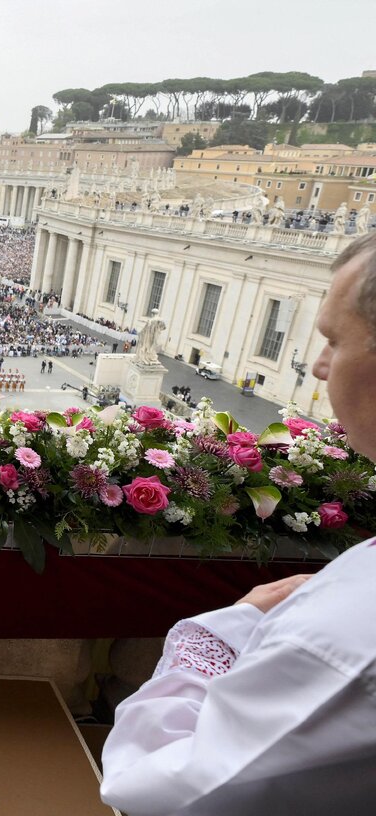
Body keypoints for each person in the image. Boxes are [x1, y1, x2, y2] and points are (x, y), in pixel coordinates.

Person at [100, 232, 376, 814]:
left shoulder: (353, 629)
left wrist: (223, 633)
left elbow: (156, 788)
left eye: (333, 340)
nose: (320, 368)